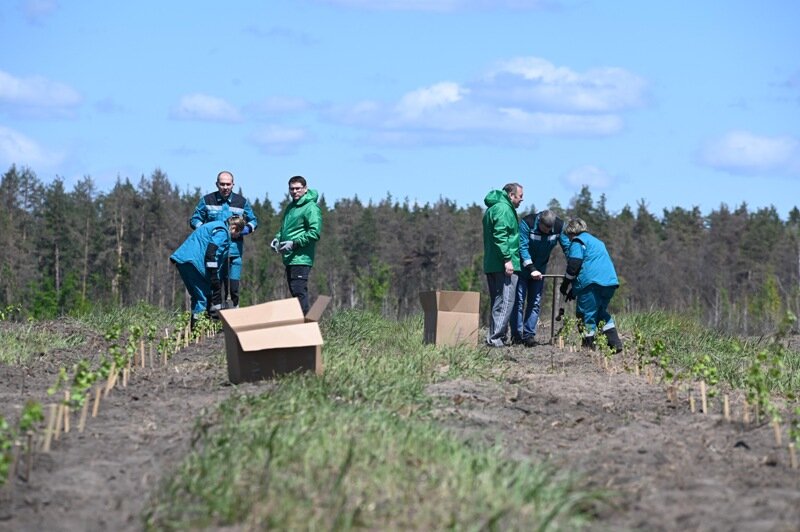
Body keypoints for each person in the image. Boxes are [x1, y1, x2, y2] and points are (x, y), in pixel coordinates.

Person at [189, 170, 258, 308]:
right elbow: (194, 220)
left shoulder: (241, 202)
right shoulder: (207, 200)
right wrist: (206, 231)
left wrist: (243, 230)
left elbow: (254, 221)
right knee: (215, 288)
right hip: (214, 253)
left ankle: (233, 316)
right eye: (222, 184)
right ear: (217, 184)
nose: (225, 187)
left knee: (233, 289)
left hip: (234, 254)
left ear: (233, 184)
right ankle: (214, 317)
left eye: (228, 184)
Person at [559, 217, 623, 352]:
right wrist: (574, 290)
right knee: (600, 312)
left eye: (568, 236)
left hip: (591, 284)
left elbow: (574, 265)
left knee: (584, 314)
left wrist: (565, 284)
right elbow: (592, 263)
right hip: (609, 282)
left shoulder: (578, 241)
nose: (569, 239)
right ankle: (615, 343)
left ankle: (588, 348)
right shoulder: (597, 242)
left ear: (572, 232)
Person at [171, 215, 246, 330]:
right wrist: (214, 276)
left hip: (185, 261)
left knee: (197, 297)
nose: (237, 237)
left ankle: (195, 329)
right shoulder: (222, 232)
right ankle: (197, 330)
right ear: (235, 228)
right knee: (203, 298)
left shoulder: (217, 226)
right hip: (193, 262)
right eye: (239, 233)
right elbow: (211, 253)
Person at [511, 209, 570, 347]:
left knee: (535, 302)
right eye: (545, 228)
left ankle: (529, 335)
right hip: (522, 269)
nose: (547, 231)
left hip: (540, 271)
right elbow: (522, 247)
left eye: (550, 229)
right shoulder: (528, 223)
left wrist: (574, 264)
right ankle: (516, 336)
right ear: (539, 222)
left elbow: (567, 247)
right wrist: (531, 268)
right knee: (519, 302)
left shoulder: (559, 226)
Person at [272, 176, 322, 314]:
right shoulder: (291, 207)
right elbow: (284, 229)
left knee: (299, 292)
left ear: (305, 189)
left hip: (301, 258)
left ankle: (306, 323)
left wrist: (294, 244)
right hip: (289, 258)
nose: (295, 191)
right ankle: (301, 321)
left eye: (298, 188)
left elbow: (314, 233)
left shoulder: (311, 208)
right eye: (292, 189)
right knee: (295, 293)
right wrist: (277, 239)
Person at [482, 183, 524, 347]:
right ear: (511, 195)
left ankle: (496, 336)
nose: (522, 199)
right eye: (520, 196)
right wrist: (507, 259)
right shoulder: (504, 209)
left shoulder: (493, 208)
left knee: (498, 302)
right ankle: (495, 338)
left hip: (492, 263)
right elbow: (500, 235)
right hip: (503, 264)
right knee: (506, 301)